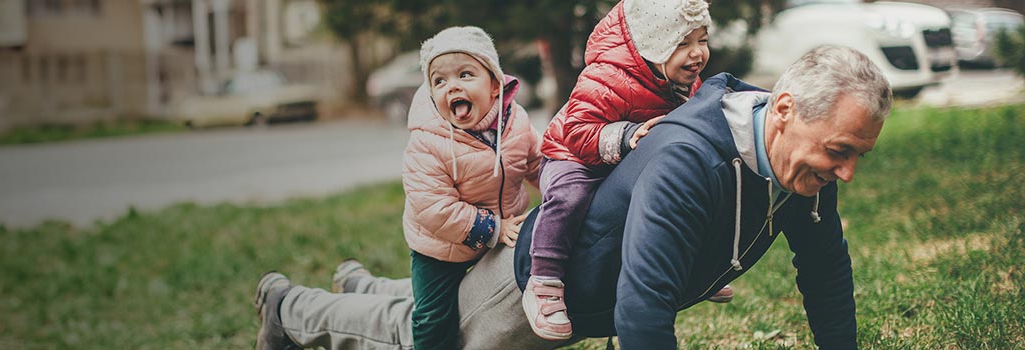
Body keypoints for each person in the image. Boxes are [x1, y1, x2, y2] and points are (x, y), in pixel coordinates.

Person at [252, 44, 889, 350]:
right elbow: (643, 314)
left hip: (573, 284)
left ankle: (362, 283)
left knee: (428, 303)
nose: (847, 172)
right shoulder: (691, 160)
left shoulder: (800, 162)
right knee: (409, 336)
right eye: (840, 151)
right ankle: (288, 310)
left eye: (858, 154)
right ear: (783, 110)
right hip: (530, 282)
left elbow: (826, 271)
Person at [253, 26, 542, 350]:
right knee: (434, 318)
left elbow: (534, 162)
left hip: (496, 233)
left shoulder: (515, 122)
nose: (452, 86)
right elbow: (433, 209)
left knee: (465, 295)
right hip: (440, 247)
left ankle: (360, 287)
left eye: (465, 74)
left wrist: (557, 180)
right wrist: (493, 227)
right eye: (439, 81)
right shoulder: (428, 142)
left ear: (494, 84)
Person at [524, 0, 716, 339]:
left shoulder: (684, 82)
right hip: (572, 155)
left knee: (675, 192)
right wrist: (627, 135)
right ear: (651, 44)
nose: (697, 53)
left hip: (628, 156)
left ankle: (691, 264)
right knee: (570, 196)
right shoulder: (605, 77)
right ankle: (544, 279)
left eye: (702, 40)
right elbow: (577, 131)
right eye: (683, 43)